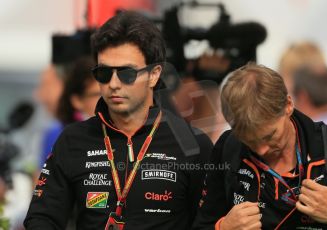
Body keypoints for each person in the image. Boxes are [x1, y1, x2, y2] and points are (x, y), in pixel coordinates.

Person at [24, 10, 213, 230]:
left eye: (126, 73)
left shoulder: (192, 144)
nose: (113, 83)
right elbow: (41, 218)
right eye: (104, 73)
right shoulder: (73, 140)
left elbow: (206, 223)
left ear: (154, 75)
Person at [193, 63, 327, 229]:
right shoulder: (229, 147)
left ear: (288, 105)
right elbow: (202, 224)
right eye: (249, 140)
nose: (261, 150)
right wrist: (223, 227)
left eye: (270, 136)